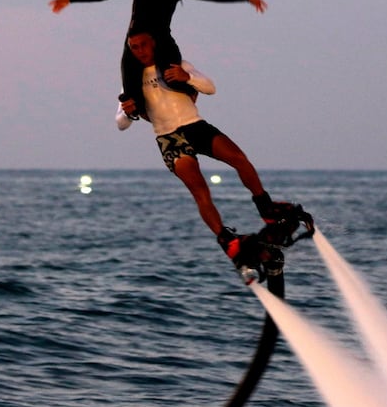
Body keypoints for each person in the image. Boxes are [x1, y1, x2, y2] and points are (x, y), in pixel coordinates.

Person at [115, 29, 304, 280]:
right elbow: (120, 122)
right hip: (169, 138)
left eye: (143, 45)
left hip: (195, 125)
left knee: (240, 159)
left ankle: (266, 208)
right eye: (133, 47)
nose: (139, 51)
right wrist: (128, 112)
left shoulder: (177, 64)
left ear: (154, 44)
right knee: (201, 190)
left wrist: (187, 77)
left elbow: (210, 87)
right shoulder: (130, 79)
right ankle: (228, 242)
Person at [49, 0, 267, 117]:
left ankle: (191, 89)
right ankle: (135, 106)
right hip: (134, 45)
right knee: (133, 103)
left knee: (173, 82)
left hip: (162, 43)